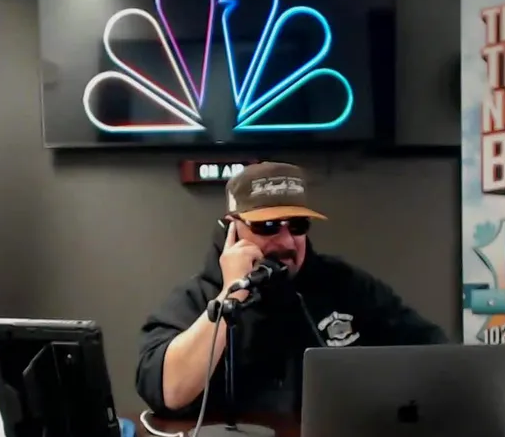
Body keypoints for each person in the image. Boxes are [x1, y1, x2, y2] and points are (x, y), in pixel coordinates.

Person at [135, 161, 448, 418]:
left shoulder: (345, 284)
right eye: (267, 226)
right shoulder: (198, 298)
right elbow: (168, 392)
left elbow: (433, 352)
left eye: (297, 225)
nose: (286, 241)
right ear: (232, 228)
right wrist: (231, 293)